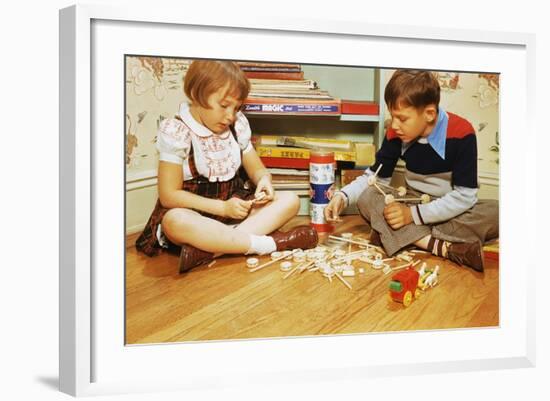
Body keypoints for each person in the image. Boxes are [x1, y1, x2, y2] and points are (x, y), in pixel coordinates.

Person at [136, 60, 318, 273]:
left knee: (290, 200)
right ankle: (270, 244)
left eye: (237, 107)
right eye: (223, 105)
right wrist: (222, 208)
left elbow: (257, 169)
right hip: (197, 216)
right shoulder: (177, 131)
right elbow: (169, 195)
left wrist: (264, 181)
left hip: (235, 216)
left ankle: (212, 249)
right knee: (174, 221)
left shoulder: (237, 126)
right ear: (197, 94)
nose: (231, 116)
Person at [324, 69, 498, 272]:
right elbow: (374, 179)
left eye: (402, 118)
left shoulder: (462, 133)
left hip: (448, 208)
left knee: (497, 212)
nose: (394, 125)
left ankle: (395, 234)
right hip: (411, 200)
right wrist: (343, 196)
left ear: (429, 114)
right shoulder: (395, 133)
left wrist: (412, 216)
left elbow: (464, 197)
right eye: (392, 116)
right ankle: (443, 247)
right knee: (367, 197)